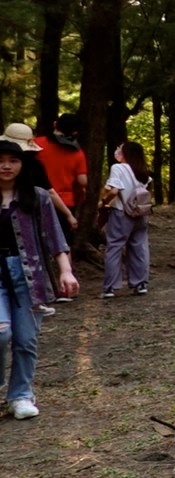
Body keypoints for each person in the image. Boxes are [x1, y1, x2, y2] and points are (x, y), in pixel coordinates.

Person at [0, 124, 78, 419]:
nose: (6, 166)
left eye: (13, 160)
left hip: (28, 276)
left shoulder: (37, 197)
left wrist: (65, 271)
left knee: (26, 340)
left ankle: (20, 395)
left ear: (23, 163)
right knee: (1, 333)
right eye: (1, 161)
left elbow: (55, 238)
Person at [101, 140, 152, 298]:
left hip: (121, 212)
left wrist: (104, 202)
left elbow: (114, 190)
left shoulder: (118, 168)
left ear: (126, 153)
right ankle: (140, 283)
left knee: (115, 247)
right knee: (139, 247)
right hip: (140, 213)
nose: (117, 151)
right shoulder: (143, 171)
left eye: (120, 149)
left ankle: (111, 286)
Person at [35, 112, 87, 242]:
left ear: (55, 124)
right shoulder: (77, 152)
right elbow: (82, 181)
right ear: (75, 133)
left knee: (37, 241)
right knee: (64, 244)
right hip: (65, 202)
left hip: (37, 198)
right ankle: (65, 263)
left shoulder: (36, 144)